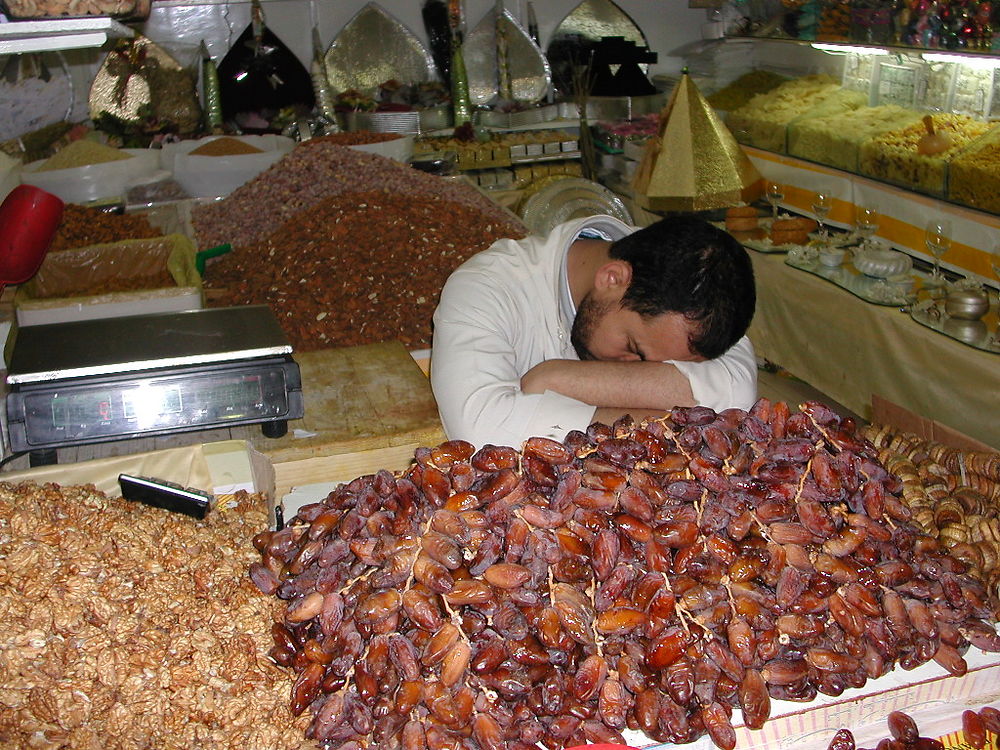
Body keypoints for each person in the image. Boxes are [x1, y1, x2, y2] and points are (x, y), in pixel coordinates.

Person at [430, 213, 757, 448]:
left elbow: (737, 389)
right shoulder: (486, 286)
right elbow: (481, 431)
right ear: (612, 278)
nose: (638, 368)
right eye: (635, 349)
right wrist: (663, 423)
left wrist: (555, 378)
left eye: (662, 366)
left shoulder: (692, 284)